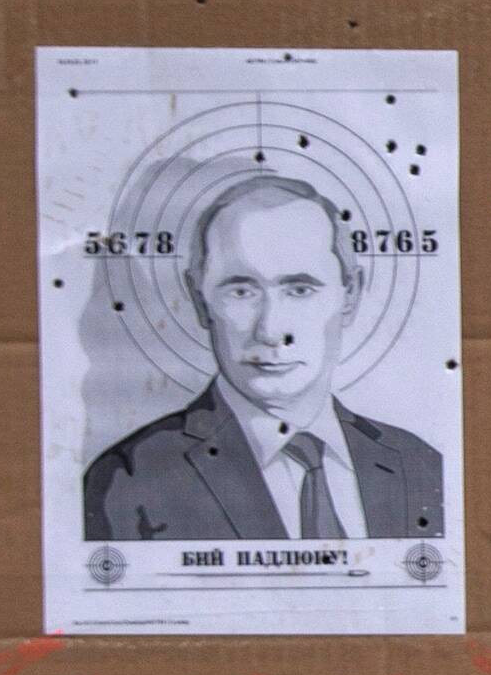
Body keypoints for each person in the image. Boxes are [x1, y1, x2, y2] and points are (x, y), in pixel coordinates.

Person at [80, 169, 445, 544]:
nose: (270, 330)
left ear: (350, 295)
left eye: (300, 289)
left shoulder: (422, 468)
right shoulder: (129, 480)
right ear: (199, 299)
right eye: (241, 291)